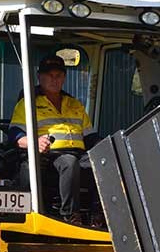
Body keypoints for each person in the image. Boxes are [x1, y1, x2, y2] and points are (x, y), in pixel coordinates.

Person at [8, 55, 105, 228]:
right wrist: (34, 142)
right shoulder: (28, 103)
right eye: (49, 75)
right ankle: (70, 215)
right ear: (39, 77)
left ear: (64, 78)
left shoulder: (74, 104)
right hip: (50, 156)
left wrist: (107, 150)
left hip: (79, 152)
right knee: (69, 162)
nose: (54, 79)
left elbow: (90, 137)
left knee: (105, 162)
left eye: (58, 75)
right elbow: (15, 134)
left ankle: (99, 214)